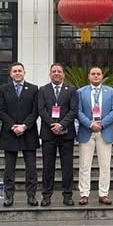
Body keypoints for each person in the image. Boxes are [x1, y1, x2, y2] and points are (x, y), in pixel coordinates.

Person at [0, 62, 40, 206]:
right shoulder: (3, 89)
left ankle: (31, 196)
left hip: (29, 132)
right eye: (14, 71)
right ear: (10, 74)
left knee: (31, 169)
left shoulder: (33, 89)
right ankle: (9, 196)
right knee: (9, 169)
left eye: (19, 71)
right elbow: (1, 110)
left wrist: (24, 126)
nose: (17, 73)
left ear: (24, 72)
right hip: (10, 133)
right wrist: (13, 126)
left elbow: (35, 111)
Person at [76, 67, 113, 205]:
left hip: (104, 131)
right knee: (84, 165)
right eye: (93, 74)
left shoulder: (111, 92)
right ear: (89, 76)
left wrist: (102, 123)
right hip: (86, 131)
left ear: (102, 76)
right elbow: (78, 111)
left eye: (98, 74)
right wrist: (90, 124)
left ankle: (103, 194)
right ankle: (84, 194)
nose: (96, 76)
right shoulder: (80, 92)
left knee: (105, 165)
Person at [38, 63, 78, 206]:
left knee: (67, 167)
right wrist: (52, 124)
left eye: (59, 71)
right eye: (54, 71)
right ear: (50, 74)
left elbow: (73, 110)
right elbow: (41, 109)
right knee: (48, 166)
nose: (56, 73)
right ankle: (46, 195)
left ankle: (67, 195)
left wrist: (61, 125)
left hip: (66, 134)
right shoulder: (43, 90)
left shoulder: (71, 90)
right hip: (48, 133)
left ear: (63, 74)